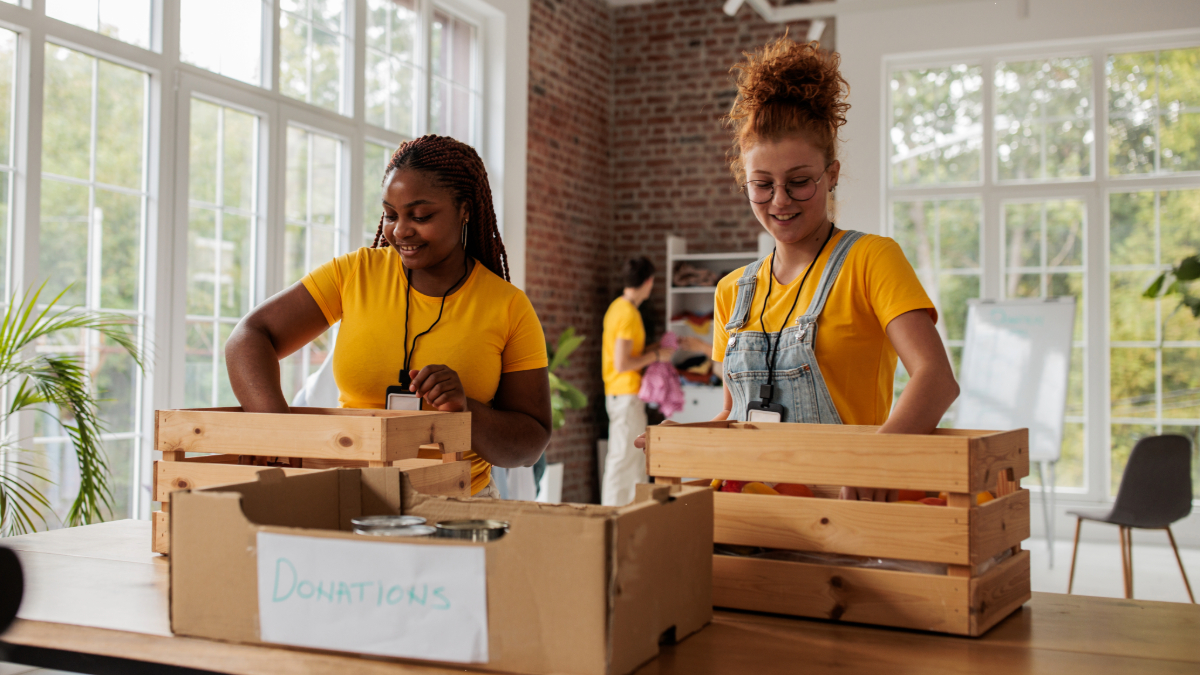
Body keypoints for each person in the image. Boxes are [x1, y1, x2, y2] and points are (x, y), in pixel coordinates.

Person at [639, 37, 959, 502]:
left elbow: (936, 380)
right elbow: (737, 416)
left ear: (831, 174)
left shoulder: (871, 260)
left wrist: (877, 463)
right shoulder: (733, 290)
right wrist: (684, 437)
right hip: (753, 512)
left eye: (799, 182)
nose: (780, 201)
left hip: (845, 511)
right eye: (762, 185)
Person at [225, 135, 552, 497]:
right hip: (347, 498)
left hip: (457, 509)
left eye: (421, 216)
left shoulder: (508, 306)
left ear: (465, 209)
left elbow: (530, 443)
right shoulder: (354, 273)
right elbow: (250, 336)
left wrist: (466, 409)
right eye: (391, 214)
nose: (400, 230)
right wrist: (280, 436)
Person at [600, 257, 674, 506]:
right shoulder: (628, 314)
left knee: (631, 459)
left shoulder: (618, 308)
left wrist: (657, 348)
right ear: (649, 282)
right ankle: (610, 513)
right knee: (622, 458)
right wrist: (656, 355)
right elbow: (623, 364)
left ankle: (629, 513)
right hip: (625, 396)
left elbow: (629, 354)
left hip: (623, 396)